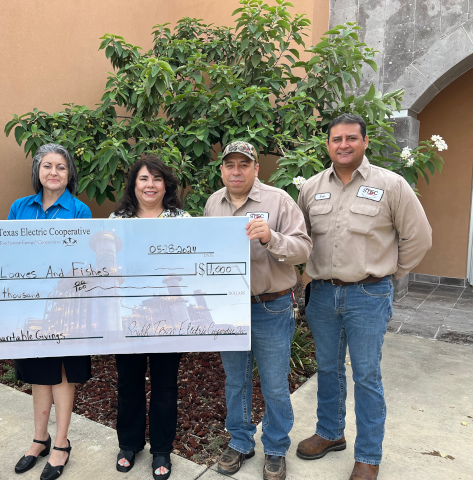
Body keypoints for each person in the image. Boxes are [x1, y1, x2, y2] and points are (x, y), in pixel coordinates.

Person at [296, 113, 432, 480]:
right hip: (323, 295)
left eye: (351, 138)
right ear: (327, 145)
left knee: (367, 375)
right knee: (327, 369)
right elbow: (301, 238)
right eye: (336, 139)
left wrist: (388, 274)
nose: (343, 145)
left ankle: (369, 455)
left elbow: (419, 238)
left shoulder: (392, 185)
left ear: (365, 141)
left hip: (368, 296)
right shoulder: (310, 188)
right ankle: (330, 432)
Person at [204, 141, 312, 480]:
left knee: (275, 384)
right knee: (236, 381)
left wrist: (272, 238)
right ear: (221, 169)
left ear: (256, 168)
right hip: (229, 309)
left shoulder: (279, 200)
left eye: (243, 164)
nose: (236, 171)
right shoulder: (213, 203)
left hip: (271, 307)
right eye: (230, 165)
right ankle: (240, 441)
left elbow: (303, 248)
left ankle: (276, 448)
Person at [10, 143, 92, 480]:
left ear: (70, 173)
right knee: (37, 372)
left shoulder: (79, 210)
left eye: (60, 166)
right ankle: (39, 439)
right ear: (37, 172)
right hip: (30, 300)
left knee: (61, 372)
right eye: (47, 166)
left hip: (65, 303)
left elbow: (82, 261)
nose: (53, 172)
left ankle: (61, 443)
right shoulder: (19, 207)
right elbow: (9, 250)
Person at [110, 155, 190, 480]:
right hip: (128, 313)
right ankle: (129, 444)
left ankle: (161, 449)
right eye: (144, 178)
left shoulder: (181, 219)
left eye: (157, 179)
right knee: (128, 381)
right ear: (134, 184)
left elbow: (190, 262)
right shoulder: (118, 219)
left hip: (168, 313)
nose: (150, 185)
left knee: (165, 384)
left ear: (166, 184)